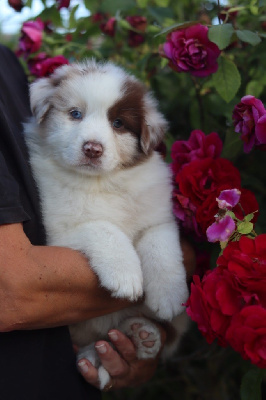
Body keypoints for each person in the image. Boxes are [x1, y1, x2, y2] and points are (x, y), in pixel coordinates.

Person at [0, 43, 195, 399]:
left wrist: (166, 266)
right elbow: (53, 239)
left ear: (144, 137)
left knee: (158, 242)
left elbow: (157, 225)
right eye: (74, 113)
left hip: (68, 371)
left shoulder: (7, 65)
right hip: (43, 349)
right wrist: (107, 239)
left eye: (118, 124)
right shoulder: (45, 165)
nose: (94, 142)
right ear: (44, 110)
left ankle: (116, 343)